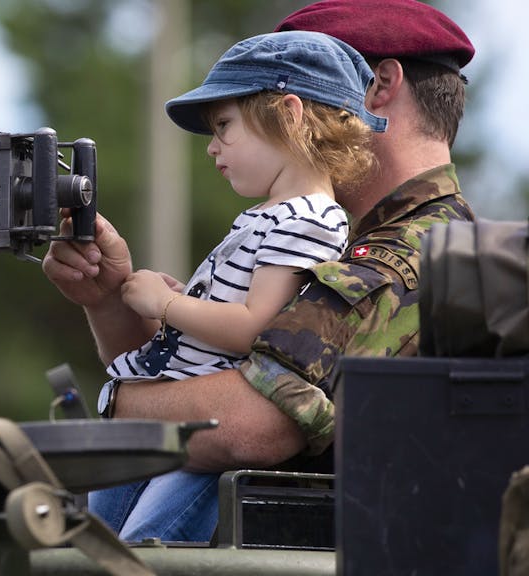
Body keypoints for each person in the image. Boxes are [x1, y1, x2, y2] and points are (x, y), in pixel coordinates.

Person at [42, 0, 476, 542]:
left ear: (378, 86)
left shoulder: (404, 255)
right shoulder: (324, 233)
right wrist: (109, 298)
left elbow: (248, 426)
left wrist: (117, 402)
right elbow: (196, 376)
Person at [87, 29, 384, 542]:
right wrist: (189, 297)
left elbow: (254, 326)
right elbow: (237, 305)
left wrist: (168, 303)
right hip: (174, 416)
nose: (213, 149)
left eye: (224, 127)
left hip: (201, 449)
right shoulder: (272, 216)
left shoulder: (307, 219)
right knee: (92, 542)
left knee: (144, 549)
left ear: (289, 115)